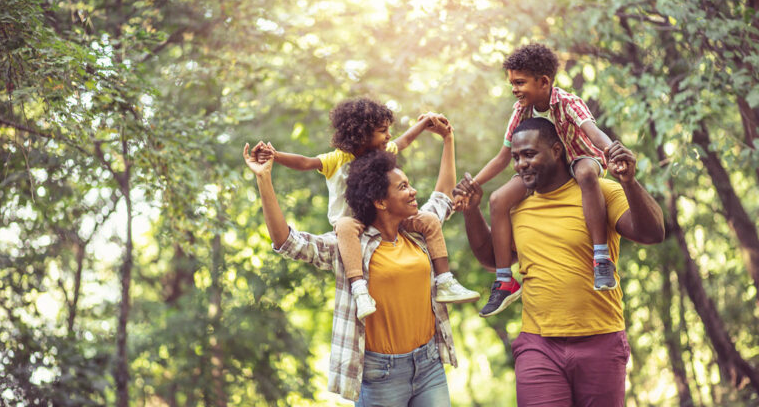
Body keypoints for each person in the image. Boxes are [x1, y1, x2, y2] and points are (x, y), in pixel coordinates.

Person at [456, 117, 665, 406]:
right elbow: (493, 259)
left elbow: (652, 233)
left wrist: (629, 182)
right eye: (516, 157)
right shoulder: (514, 206)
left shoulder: (599, 192)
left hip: (601, 340)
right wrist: (471, 212)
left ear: (556, 150)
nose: (520, 164)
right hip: (539, 346)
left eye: (529, 154)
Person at [243, 130, 460, 405]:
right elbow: (287, 241)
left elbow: (443, 197)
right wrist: (264, 178)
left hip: (429, 365)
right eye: (403, 187)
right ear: (380, 202)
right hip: (381, 374)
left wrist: (448, 139)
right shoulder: (350, 246)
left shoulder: (419, 233)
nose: (414, 190)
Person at [257, 98, 478, 322]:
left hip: (426, 353)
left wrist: (431, 126)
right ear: (361, 134)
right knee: (345, 226)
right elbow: (305, 163)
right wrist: (273, 159)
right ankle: (359, 290)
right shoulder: (338, 159)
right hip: (351, 229)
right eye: (383, 131)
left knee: (429, 219)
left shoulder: (411, 227)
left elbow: (407, 142)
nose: (389, 136)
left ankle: (445, 280)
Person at [454, 43, 623, 318]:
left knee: (586, 174)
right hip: (545, 168)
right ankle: (504, 279)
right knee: (498, 200)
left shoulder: (568, 103)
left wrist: (612, 152)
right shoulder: (521, 110)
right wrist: (475, 184)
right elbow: (502, 157)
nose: (514, 89)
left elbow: (593, 133)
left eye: (520, 82)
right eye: (512, 83)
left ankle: (601, 257)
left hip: (580, 158)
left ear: (543, 82)